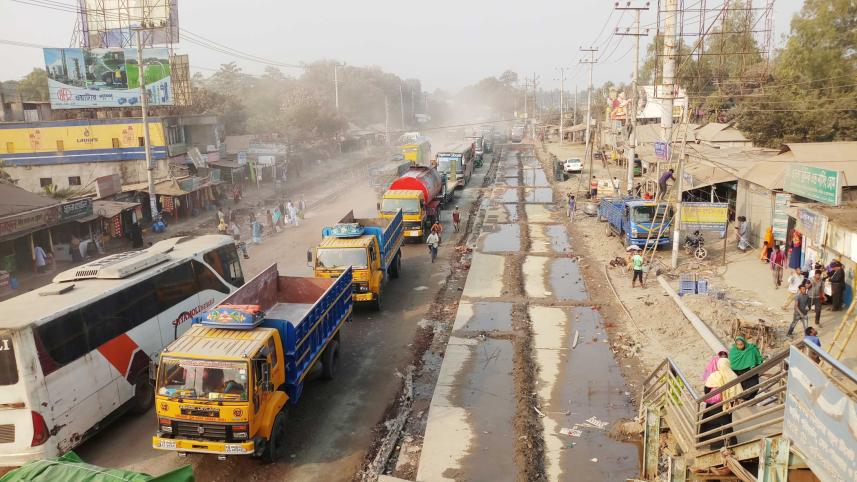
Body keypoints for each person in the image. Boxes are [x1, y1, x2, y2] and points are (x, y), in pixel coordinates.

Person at [701, 358, 740, 450]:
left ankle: (710, 443)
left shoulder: (714, 375)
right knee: (726, 423)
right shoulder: (733, 375)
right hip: (727, 404)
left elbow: (706, 390)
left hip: (713, 404)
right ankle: (730, 443)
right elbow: (737, 391)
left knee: (711, 422)